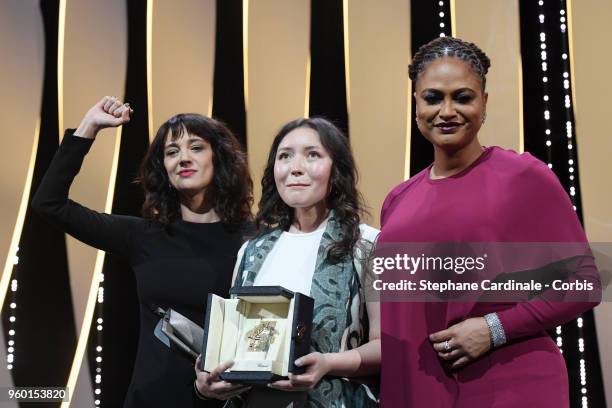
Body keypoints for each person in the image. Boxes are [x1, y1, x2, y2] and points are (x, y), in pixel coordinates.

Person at [378, 37, 600, 407]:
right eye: (432, 97)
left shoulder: (522, 176)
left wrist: (493, 329)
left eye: (462, 97)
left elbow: (584, 282)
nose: (446, 111)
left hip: (508, 386)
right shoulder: (398, 199)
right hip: (420, 391)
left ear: (485, 103)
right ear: (415, 103)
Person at [32, 96, 253, 407]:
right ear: (163, 168)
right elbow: (49, 204)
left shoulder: (255, 241)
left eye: (196, 148)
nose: (183, 158)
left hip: (229, 400)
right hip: (150, 399)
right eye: (172, 152)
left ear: (219, 158)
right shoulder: (143, 235)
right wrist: (89, 126)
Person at [195, 117, 381, 407]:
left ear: (337, 171)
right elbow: (236, 342)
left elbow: (388, 347)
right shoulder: (251, 251)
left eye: (313, 155)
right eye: (285, 156)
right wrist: (209, 376)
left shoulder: (368, 244)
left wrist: (328, 363)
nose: (296, 167)